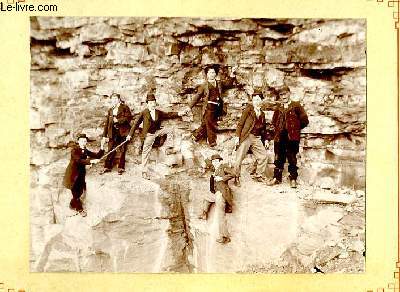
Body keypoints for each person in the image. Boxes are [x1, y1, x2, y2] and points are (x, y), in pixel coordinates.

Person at [126, 93, 185, 180]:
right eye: (150, 103)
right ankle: (144, 171)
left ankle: (169, 147)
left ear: (155, 103)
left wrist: (179, 113)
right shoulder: (144, 112)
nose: (152, 104)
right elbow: (135, 124)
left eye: (153, 102)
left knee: (170, 129)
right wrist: (129, 135)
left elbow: (169, 114)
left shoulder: (158, 112)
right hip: (148, 135)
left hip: (157, 132)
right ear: (147, 104)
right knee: (146, 153)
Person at [267, 88, 309, 188]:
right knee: (278, 158)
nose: (284, 97)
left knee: (292, 158)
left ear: (289, 94)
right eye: (281, 95)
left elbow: (305, 121)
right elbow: (273, 122)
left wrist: (295, 129)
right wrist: (276, 130)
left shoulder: (296, 106)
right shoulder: (278, 108)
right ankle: (276, 178)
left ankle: (293, 178)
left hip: (292, 137)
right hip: (280, 137)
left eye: (285, 94)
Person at [63, 134, 105, 216]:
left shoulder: (85, 150)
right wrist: (90, 161)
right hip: (73, 174)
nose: (83, 142)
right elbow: (78, 160)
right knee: (75, 192)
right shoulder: (74, 150)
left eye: (85, 141)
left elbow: (97, 155)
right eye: (82, 141)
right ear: (78, 142)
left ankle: (72, 204)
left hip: (81, 173)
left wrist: (102, 146)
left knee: (80, 190)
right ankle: (79, 209)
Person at [198, 154, 236, 244]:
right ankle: (204, 213)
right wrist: (206, 156)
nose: (214, 163)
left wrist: (222, 178)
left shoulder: (223, 167)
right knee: (206, 197)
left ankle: (225, 236)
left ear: (220, 161)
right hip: (215, 192)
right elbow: (208, 161)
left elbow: (234, 173)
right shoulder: (214, 169)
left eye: (216, 161)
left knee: (220, 214)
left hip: (221, 193)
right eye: (213, 161)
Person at [233, 93, 268, 182]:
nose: (256, 101)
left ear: (261, 101)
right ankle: (236, 177)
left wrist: (266, 139)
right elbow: (240, 124)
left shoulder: (262, 114)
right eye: (254, 100)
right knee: (239, 157)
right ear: (252, 101)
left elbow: (263, 129)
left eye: (258, 99)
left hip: (256, 138)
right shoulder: (248, 110)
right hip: (247, 136)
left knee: (263, 156)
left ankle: (258, 175)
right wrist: (237, 137)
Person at [187, 66, 226, 147]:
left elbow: (228, 83)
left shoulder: (219, 83)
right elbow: (197, 97)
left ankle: (195, 136)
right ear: (207, 74)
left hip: (218, 108)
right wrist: (189, 107)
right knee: (210, 123)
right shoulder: (204, 86)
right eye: (210, 73)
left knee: (205, 123)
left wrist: (232, 75)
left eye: (213, 72)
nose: (212, 74)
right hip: (209, 107)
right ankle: (212, 142)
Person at [101, 93, 133, 175]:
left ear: (118, 99)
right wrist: (104, 135)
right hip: (113, 132)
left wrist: (118, 120)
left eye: (115, 99)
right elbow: (107, 123)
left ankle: (121, 167)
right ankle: (107, 167)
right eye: (112, 99)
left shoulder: (125, 107)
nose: (114, 100)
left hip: (123, 131)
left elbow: (128, 118)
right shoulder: (110, 110)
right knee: (110, 148)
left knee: (122, 149)